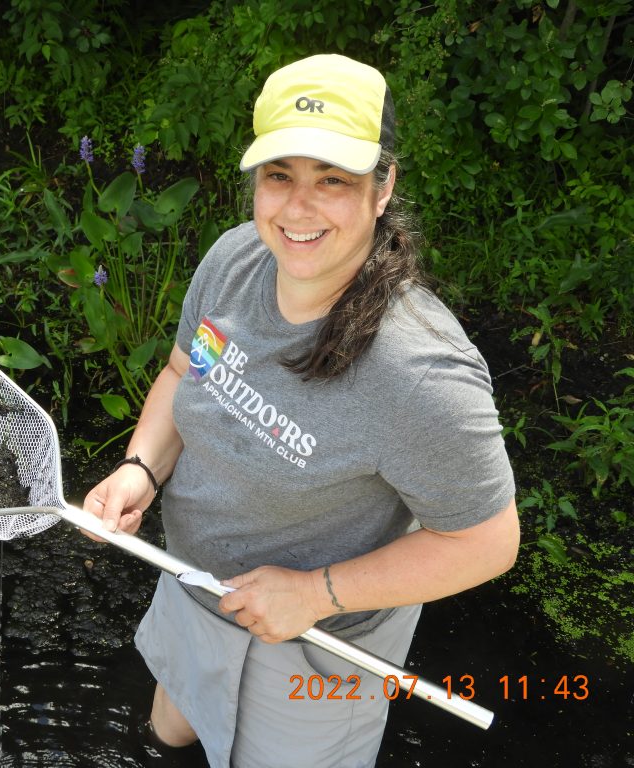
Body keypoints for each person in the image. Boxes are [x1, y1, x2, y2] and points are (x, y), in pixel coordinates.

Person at [82, 53, 519, 768]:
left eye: (333, 181)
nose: (297, 208)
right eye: (280, 175)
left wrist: (315, 594)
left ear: (384, 188)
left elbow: (488, 542)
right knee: (168, 732)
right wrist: (140, 470)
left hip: (317, 644)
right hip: (193, 581)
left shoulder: (423, 374)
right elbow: (180, 370)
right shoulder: (233, 261)